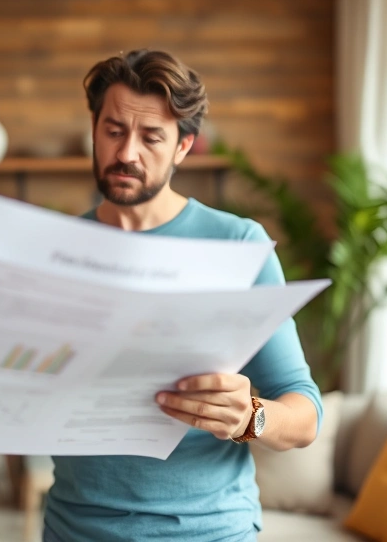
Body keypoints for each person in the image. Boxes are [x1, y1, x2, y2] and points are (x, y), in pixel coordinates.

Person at [42, 49, 323, 542]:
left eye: (151, 137)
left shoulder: (237, 245)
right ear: (94, 128)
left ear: (183, 146)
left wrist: (250, 418)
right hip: (75, 529)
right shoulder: (54, 252)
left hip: (208, 531)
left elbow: (304, 414)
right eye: (113, 131)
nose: (127, 153)